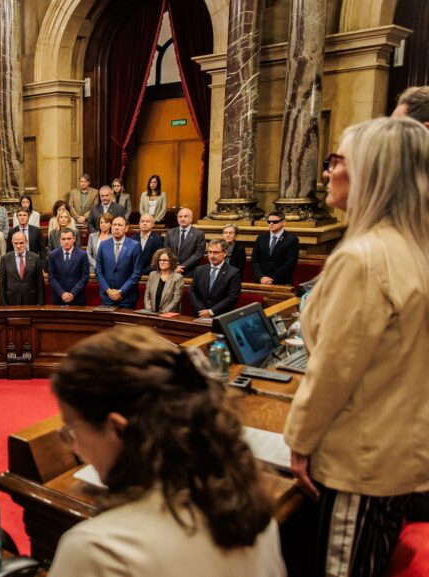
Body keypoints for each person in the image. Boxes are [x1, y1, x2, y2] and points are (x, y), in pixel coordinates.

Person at [285, 118, 429, 577]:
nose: (327, 173)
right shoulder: (411, 245)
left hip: (358, 458)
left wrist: (299, 442)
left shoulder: (364, 256)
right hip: (395, 447)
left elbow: (334, 369)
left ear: (371, 171)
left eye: (337, 161)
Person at [48, 325, 284, 577]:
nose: (74, 446)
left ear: (117, 429)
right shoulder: (249, 503)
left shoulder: (98, 551)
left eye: (71, 429)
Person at [95, 216, 141, 308]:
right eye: (114, 225)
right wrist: (108, 291)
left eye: (120, 225)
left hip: (126, 298)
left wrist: (121, 292)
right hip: (107, 297)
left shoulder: (135, 246)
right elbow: (98, 271)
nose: (116, 227)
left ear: (126, 228)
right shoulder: (103, 245)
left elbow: (137, 273)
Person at [188, 239, 241, 318]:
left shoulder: (233, 273)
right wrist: (202, 310)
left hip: (221, 316)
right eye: (209, 252)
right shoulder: (199, 270)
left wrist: (211, 311)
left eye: (215, 252)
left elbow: (232, 297)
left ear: (225, 253)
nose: (212, 256)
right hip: (200, 315)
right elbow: (192, 292)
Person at [251, 211, 299, 286]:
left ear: (283, 222)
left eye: (275, 222)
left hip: (281, 282)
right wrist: (261, 277)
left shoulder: (291, 239)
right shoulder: (261, 238)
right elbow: (254, 261)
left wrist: (271, 279)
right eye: (269, 221)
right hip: (261, 282)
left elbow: (290, 263)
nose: (271, 224)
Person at [0, 231, 45, 306]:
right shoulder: (5, 259)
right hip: (11, 300)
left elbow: (40, 283)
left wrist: (40, 303)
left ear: (26, 242)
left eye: (21, 243)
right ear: (12, 242)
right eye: (16, 243)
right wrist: (4, 304)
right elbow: (2, 283)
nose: (18, 246)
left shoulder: (35, 258)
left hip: (31, 300)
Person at [48, 229, 91, 306]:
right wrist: (62, 293)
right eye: (63, 239)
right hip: (58, 297)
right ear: (60, 240)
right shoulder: (53, 255)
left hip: (77, 298)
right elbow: (51, 277)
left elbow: (85, 277)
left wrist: (72, 293)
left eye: (69, 238)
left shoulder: (82, 254)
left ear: (74, 239)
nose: (66, 241)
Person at [165, 208, 206, 277]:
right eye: (180, 217)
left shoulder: (199, 234)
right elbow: (166, 251)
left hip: (189, 271)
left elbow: (198, 254)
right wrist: (174, 266)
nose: (182, 219)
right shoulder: (170, 233)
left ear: (191, 218)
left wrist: (181, 267)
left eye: (185, 216)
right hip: (171, 270)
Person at [143, 248, 184, 314]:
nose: (162, 262)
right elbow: (147, 296)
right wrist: (149, 309)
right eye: (160, 260)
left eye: (165, 260)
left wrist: (163, 313)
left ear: (171, 261)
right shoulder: (152, 275)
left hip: (168, 314)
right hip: (151, 313)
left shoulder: (178, 278)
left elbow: (176, 300)